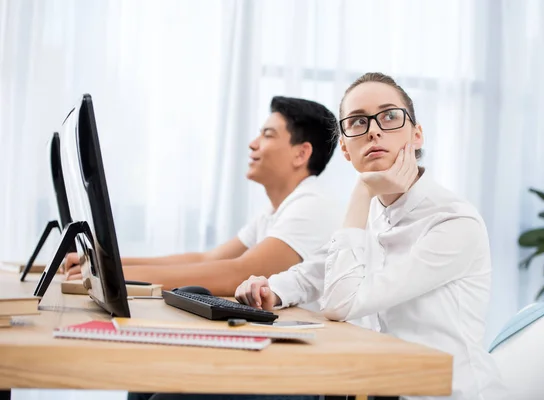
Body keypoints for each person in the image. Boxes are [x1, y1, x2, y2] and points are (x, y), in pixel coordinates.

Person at [235, 72, 507, 400]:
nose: (374, 130)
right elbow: (314, 273)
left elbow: (340, 302)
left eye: (389, 116)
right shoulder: (376, 212)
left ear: (416, 135)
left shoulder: (452, 222)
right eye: (358, 122)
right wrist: (269, 290)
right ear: (347, 151)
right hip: (375, 384)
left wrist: (362, 190)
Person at [63, 96, 343, 296]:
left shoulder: (311, 205)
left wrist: (112, 275)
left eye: (268, 135)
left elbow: (239, 273)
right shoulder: (274, 211)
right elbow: (207, 259)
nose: (253, 143)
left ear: (301, 153)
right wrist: (106, 261)